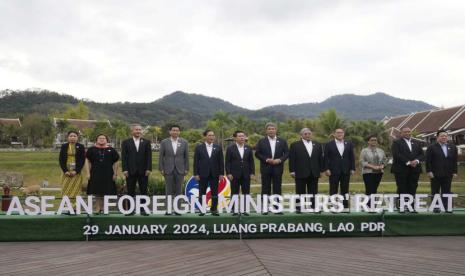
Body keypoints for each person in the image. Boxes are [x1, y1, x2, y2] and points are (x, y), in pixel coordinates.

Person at [255, 122, 289, 214]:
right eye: (269, 129)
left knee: (277, 188)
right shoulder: (261, 141)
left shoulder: (282, 141)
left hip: (278, 167)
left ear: (276, 130)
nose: (271, 130)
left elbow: (286, 153)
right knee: (265, 188)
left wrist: (280, 160)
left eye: (273, 129)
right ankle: (265, 208)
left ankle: (276, 208)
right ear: (266, 131)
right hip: (266, 168)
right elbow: (257, 153)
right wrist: (266, 159)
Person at [289, 128, 324, 213]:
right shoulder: (295, 145)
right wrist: (292, 171)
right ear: (301, 135)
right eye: (305, 134)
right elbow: (292, 159)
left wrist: (321, 170)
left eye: (309, 133)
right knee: (300, 191)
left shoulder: (318, 145)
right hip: (300, 171)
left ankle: (314, 207)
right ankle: (299, 208)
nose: (307, 135)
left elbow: (320, 159)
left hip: (314, 172)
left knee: (313, 191)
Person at [391, 127, 424, 212]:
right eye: (405, 132)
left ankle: (411, 207)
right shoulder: (396, 142)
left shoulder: (417, 142)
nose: (407, 133)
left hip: (415, 169)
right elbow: (397, 154)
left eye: (409, 131)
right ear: (401, 133)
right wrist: (409, 162)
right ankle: (401, 207)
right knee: (402, 188)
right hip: (401, 169)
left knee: (413, 187)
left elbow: (422, 154)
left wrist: (416, 161)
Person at [121, 124, 152, 215]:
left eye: (139, 130)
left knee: (144, 190)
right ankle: (130, 210)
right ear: (132, 131)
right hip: (130, 171)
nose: (138, 131)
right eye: (136, 130)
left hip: (144, 171)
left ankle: (143, 210)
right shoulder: (126, 142)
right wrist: (125, 169)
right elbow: (124, 157)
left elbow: (148, 156)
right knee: (130, 191)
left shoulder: (146, 142)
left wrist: (148, 168)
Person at [159, 124, 189, 215]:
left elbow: (186, 157)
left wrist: (186, 168)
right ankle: (168, 210)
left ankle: (178, 209)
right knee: (168, 190)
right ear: (170, 132)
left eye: (177, 130)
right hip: (168, 169)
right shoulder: (164, 142)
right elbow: (161, 156)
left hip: (180, 169)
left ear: (179, 132)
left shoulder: (184, 142)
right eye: (173, 130)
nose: (175, 132)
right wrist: (161, 168)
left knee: (179, 190)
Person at [86, 134, 120, 214]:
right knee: (96, 191)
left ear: (107, 140)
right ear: (96, 140)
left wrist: (115, 174)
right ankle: (98, 208)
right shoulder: (91, 150)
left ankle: (105, 208)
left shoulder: (111, 150)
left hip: (108, 173)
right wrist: (88, 173)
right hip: (95, 173)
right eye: (100, 138)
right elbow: (87, 161)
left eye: (103, 138)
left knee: (106, 191)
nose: (101, 139)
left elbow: (116, 162)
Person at [426, 130, 458, 213]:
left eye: (445, 136)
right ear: (437, 137)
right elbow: (428, 161)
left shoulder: (453, 147)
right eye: (442, 136)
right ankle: (436, 207)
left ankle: (446, 207)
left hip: (448, 173)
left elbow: (454, 160)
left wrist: (455, 171)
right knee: (435, 191)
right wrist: (429, 171)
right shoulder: (431, 147)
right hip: (435, 174)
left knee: (447, 191)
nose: (444, 137)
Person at [194, 130, 224, 216]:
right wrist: (196, 174)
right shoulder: (199, 147)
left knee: (215, 192)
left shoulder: (218, 147)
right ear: (205, 137)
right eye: (210, 135)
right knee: (202, 192)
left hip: (215, 174)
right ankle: (202, 209)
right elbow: (196, 162)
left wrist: (221, 173)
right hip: (202, 174)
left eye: (213, 135)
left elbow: (221, 162)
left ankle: (214, 209)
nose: (212, 137)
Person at [225, 130, 255, 216]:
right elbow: (227, 162)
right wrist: (228, 173)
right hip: (234, 175)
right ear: (235, 138)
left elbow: (251, 162)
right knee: (234, 192)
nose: (242, 137)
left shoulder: (248, 148)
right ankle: (234, 209)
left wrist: (252, 173)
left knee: (246, 192)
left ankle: (245, 210)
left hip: (246, 174)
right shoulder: (230, 148)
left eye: (243, 136)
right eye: (240, 136)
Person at [324, 128, 355, 210]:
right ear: (334, 134)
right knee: (333, 189)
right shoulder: (329, 144)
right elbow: (325, 158)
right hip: (333, 170)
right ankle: (332, 206)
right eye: (338, 132)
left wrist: (352, 168)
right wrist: (326, 169)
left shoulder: (349, 144)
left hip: (346, 170)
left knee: (345, 189)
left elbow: (351, 157)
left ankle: (345, 207)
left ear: (344, 134)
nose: (339, 134)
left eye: (341, 132)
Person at [59, 130, 86, 214]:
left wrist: (76, 171)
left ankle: (75, 208)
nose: (72, 137)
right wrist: (65, 171)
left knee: (76, 190)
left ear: (77, 137)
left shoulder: (81, 146)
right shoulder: (64, 146)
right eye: (71, 136)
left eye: (74, 136)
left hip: (76, 172)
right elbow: (61, 159)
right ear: (68, 137)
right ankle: (67, 208)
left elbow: (82, 160)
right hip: (66, 171)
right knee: (65, 189)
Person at [360, 135, 387, 208]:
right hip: (368, 172)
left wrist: (382, 166)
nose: (374, 141)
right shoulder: (364, 151)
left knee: (374, 189)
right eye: (372, 140)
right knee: (369, 189)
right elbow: (362, 162)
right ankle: (367, 206)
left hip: (378, 172)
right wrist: (373, 167)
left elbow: (385, 160)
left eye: (375, 140)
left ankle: (373, 206)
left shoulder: (381, 151)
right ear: (368, 141)